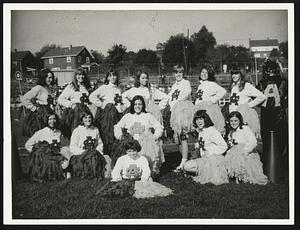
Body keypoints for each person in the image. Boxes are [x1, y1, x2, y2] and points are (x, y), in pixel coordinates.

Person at [114, 95, 164, 175]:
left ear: (143, 105)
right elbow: (117, 126)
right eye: (135, 104)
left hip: (146, 145)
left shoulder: (148, 116)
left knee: (147, 169)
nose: (137, 106)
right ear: (132, 105)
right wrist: (120, 136)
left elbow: (159, 127)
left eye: (140, 104)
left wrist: (154, 136)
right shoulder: (128, 116)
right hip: (131, 144)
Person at [258, 59, 288, 179]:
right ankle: (268, 166)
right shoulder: (261, 83)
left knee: (281, 141)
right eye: (268, 70)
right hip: (267, 116)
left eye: (272, 70)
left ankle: (280, 166)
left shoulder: (283, 82)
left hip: (279, 115)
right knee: (267, 141)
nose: (270, 72)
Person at [183, 110, 228, 185]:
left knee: (216, 180)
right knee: (187, 166)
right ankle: (206, 172)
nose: (199, 122)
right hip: (204, 159)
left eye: (201, 119)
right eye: (197, 119)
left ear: (205, 119)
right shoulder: (201, 131)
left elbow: (224, 146)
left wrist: (210, 151)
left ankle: (211, 172)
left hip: (214, 160)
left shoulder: (212, 130)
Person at [25, 111, 72, 181]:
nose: (52, 121)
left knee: (67, 160)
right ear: (46, 120)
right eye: (50, 119)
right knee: (60, 165)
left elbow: (63, 144)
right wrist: (38, 152)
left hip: (57, 154)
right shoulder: (41, 132)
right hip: (47, 156)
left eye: (54, 119)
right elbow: (27, 145)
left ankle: (64, 171)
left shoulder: (58, 132)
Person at [224, 111, 268, 185]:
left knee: (247, 167)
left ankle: (245, 176)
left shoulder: (245, 128)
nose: (233, 123)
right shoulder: (231, 131)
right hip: (234, 153)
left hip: (246, 153)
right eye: (231, 121)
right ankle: (237, 176)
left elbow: (253, 142)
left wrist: (245, 151)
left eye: (235, 121)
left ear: (240, 121)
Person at [89, 69, 125, 156]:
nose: (113, 77)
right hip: (108, 116)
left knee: (117, 134)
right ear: (108, 78)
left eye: (114, 75)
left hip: (118, 115)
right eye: (110, 75)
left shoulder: (118, 89)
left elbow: (120, 102)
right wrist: (102, 105)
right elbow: (92, 96)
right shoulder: (104, 87)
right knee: (108, 135)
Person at [69, 110, 111, 179]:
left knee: (106, 158)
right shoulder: (77, 130)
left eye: (89, 117)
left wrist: (96, 151)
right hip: (81, 154)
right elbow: (73, 146)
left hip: (94, 153)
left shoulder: (95, 129)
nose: (88, 120)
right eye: (85, 118)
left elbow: (100, 143)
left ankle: (104, 174)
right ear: (82, 119)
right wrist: (84, 152)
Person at [167, 65, 194, 170]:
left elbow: (187, 93)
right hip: (174, 112)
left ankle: (184, 161)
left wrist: (177, 103)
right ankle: (185, 160)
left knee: (182, 136)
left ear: (183, 74)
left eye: (180, 72)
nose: (178, 74)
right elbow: (169, 98)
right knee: (177, 138)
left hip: (182, 112)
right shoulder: (174, 85)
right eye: (176, 72)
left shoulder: (185, 83)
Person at [227, 65, 266, 138]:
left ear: (241, 74)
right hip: (234, 119)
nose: (234, 76)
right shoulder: (233, 86)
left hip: (244, 118)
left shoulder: (246, 86)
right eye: (232, 74)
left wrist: (248, 105)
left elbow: (261, 97)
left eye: (236, 74)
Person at [58, 68, 93, 139]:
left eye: (82, 75)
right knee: (76, 131)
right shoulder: (71, 87)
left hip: (86, 113)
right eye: (78, 75)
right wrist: (71, 104)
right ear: (75, 76)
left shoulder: (87, 87)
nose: (81, 77)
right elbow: (60, 99)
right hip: (75, 113)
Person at [21, 68, 56, 137]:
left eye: (52, 78)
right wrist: (34, 108)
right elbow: (24, 98)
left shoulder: (48, 88)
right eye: (49, 78)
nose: (51, 80)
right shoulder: (38, 88)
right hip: (40, 117)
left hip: (49, 116)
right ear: (43, 78)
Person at [194, 65, 226, 133]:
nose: (204, 74)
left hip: (208, 111)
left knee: (209, 130)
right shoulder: (200, 85)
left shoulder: (211, 84)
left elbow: (223, 91)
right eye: (202, 72)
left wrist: (212, 100)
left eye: (206, 73)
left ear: (209, 74)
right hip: (199, 109)